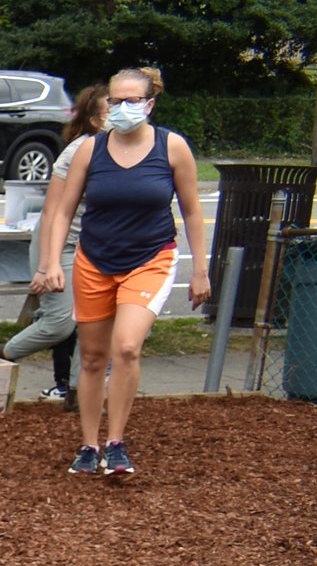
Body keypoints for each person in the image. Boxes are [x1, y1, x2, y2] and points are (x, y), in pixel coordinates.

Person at [33, 67, 212, 477]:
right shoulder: (89, 150)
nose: (122, 108)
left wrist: (200, 270)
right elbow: (61, 211)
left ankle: (116, 443)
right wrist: (50, 263)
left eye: (132, 101)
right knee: (93, 357)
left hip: (150, 258)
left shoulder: (172, 147)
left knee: (127, 347)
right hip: (95, 260)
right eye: (115, 101)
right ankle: (88, 445)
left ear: (150, 104)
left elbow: (192, 211)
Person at [2, 84, 108, 408]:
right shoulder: (79, 151)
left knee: (96, 323)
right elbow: (51, 213)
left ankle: (78, 393)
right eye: (111, 111)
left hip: (97, 250)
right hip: (60, 243)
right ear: (94, 120)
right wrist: (46, 264)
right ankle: (0, 356)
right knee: (60, 324)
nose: (120, 116)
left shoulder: (128, 153)